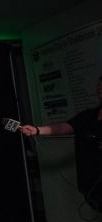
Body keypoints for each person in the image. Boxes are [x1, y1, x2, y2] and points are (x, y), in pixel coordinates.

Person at [17, 74, 102, 209]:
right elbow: (64, 127)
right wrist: (37, 130)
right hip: (90, 183)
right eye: (99, 86)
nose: (100, 89)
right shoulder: (88, 116)